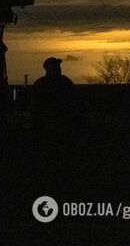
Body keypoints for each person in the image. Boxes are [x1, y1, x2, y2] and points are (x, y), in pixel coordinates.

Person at [31, 57, 77, 188]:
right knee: (51, 154)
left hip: (61, 127)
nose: (59, 69)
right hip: (50, 128)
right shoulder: (43, 85)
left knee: (60, 154)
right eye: (56, 66)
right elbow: (36, 108)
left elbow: (75, 102)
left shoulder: (63, 82)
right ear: (49, 68)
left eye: (58, 66)